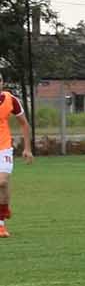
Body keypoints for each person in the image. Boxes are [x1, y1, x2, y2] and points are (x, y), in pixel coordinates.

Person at [0, 82, 30, 238]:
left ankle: (3, 210)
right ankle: (1, 224)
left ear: (1, 83)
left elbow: (24, 124)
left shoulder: (10, 99)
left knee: (2, 182)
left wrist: (27, 149)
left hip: (4, 147)